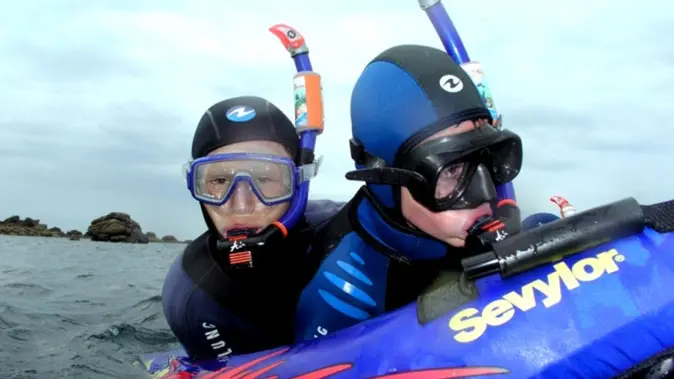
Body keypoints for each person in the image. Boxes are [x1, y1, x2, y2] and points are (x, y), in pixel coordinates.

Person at [294, 44, 524, 341]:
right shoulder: (343, 294)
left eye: (490, 158)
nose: (485, 193)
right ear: (386, 181)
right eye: (451, 170)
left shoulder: (454, 222)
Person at [161, 96, 343, 361]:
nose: (242, 205)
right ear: (195, 185)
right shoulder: (192, 298)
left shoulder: (348, 230)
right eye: (219, 180)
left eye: (265, 178)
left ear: (299, 182)